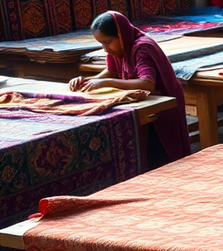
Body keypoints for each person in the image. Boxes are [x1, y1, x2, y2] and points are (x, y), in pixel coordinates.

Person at [70, 11, 190, 166]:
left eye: (108, 42)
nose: (105, 49)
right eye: (102, 44)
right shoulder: (120, 47)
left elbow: (147, 84)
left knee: (164, 156)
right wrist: (88, 82)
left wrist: (107, 83)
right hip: (145, 101)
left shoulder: (142, 48)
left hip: (163, 104)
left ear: (121, 35)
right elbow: (112, 70)